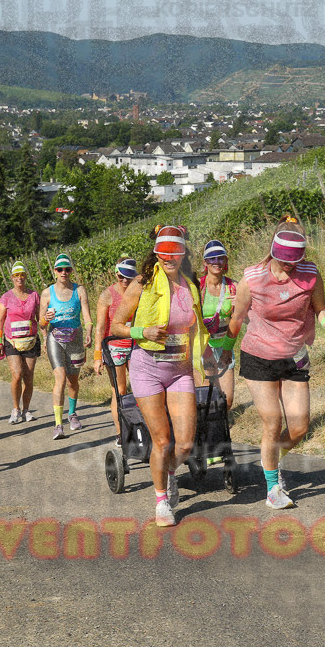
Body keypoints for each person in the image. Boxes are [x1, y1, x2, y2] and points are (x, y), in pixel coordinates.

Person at [227, 217, 325, 510]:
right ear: (274, 252)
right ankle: (273, 488)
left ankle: (274, 461)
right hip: (258, 357)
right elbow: (237, 318)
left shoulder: (310, 273)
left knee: (299, 428)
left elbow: (321, 308)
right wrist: (222, 351)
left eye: (295, 261)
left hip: (294, 358)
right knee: (273, 422)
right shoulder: (252, 278)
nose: (290, 266)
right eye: (285, 261)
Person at [111, 225, 207, 527]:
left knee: (185, 444)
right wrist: (143, 331)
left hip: (179, 370)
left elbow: (196, 327)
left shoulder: (190, 285)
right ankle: (161, 500)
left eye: (175, 254)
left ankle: (168, 472)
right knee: (163, 441)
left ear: (183, 255)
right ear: (156, 254)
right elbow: (116, 325)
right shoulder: (142, 283)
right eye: (164, 254)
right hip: (147, 367)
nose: (169, 259)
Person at [40, 254, 93, 440]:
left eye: (67, 269)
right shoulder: (47, 293)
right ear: (54, 271)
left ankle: (72, 413)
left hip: (75, 338)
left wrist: (89, 332)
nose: (64, 272)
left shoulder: (80, 290)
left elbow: (87, 316)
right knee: (60, 378)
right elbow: (41, 324)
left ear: (71, 271)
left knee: (72, 381)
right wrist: (45, 320)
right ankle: (58, 424)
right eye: (60, 269)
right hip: (55, 338)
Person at [93, 257, 138, 439]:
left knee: (142, 389)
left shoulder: (139, 292)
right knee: (120, 391)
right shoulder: (107, 295)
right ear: (115, 274)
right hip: (115, 347)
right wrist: (97, 356)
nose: (125, 280)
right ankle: (122, 434)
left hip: (136, 346)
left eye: (129, 276)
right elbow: (100, 327)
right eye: (121, 276)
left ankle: (141, 429)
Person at [0, 262, 41, 424]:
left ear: (26, 277)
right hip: (11, 341)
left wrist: (46, 333)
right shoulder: (6, 297)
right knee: (17, 374)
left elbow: (40, 318)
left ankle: (26, 410)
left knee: (28, 377)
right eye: (16, 275)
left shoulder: (34, 295)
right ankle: (15, 409)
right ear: (12, 278)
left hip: (30, 340)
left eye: (22, 275)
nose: (19, 278)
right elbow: (0, 320)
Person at [199, 240, 238, 409]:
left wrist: (242, 306)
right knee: (207, 399)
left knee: (227, 401)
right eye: (211, 258)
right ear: (205, 262)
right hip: (203, 347)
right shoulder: (197, 286)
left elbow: (245, 320)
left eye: (220, 258)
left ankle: (222, 422)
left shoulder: (234, 286)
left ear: (226, 260)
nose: (216, 262)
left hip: (224, 346)